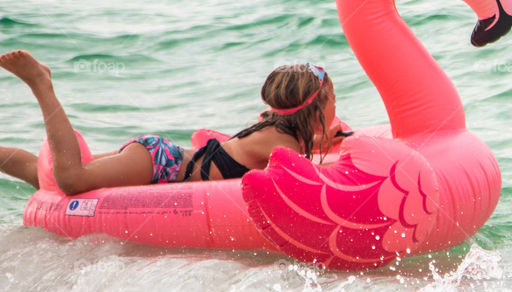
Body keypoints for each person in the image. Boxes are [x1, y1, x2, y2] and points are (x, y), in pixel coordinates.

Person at [0, 50, 341, 194]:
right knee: (71, 179)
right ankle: (41, 84)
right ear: (318, 106)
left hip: (160, 156)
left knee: (43, 177)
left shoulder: (273, 128)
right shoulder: (281, 143)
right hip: (161, 165)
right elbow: (307, 179)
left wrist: (324, 139)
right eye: (334, 100)